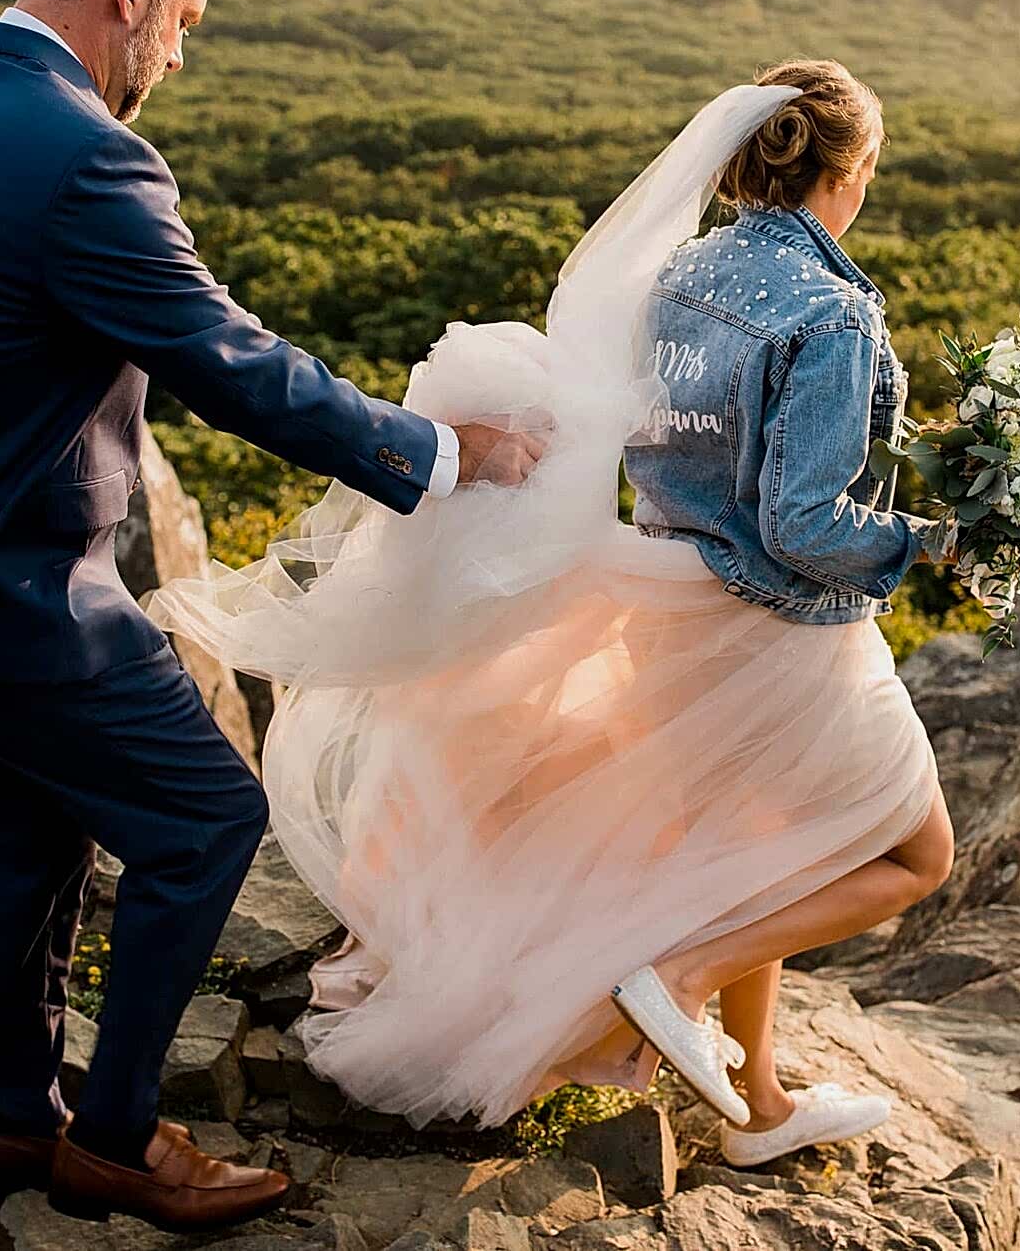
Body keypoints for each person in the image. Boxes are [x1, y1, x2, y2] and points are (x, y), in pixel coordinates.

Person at [0, 0, 542, 1233]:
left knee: (20, 843)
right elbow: (235, 365)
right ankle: (115, 1138)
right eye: (181, 17)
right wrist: (443, 451)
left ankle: (13, 1119)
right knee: (204, 815)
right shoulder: (89, 156)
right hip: (10, 584)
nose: (177, 52)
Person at [148, 59, 955, 1167]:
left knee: (748, 845)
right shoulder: (834, 308)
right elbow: (805, 522)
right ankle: (674, 979)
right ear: (850, 172)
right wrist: (928, 541)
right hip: (780, 630)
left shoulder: (679, 276)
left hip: (671, 606)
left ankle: (761, 1101)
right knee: (917, 853)